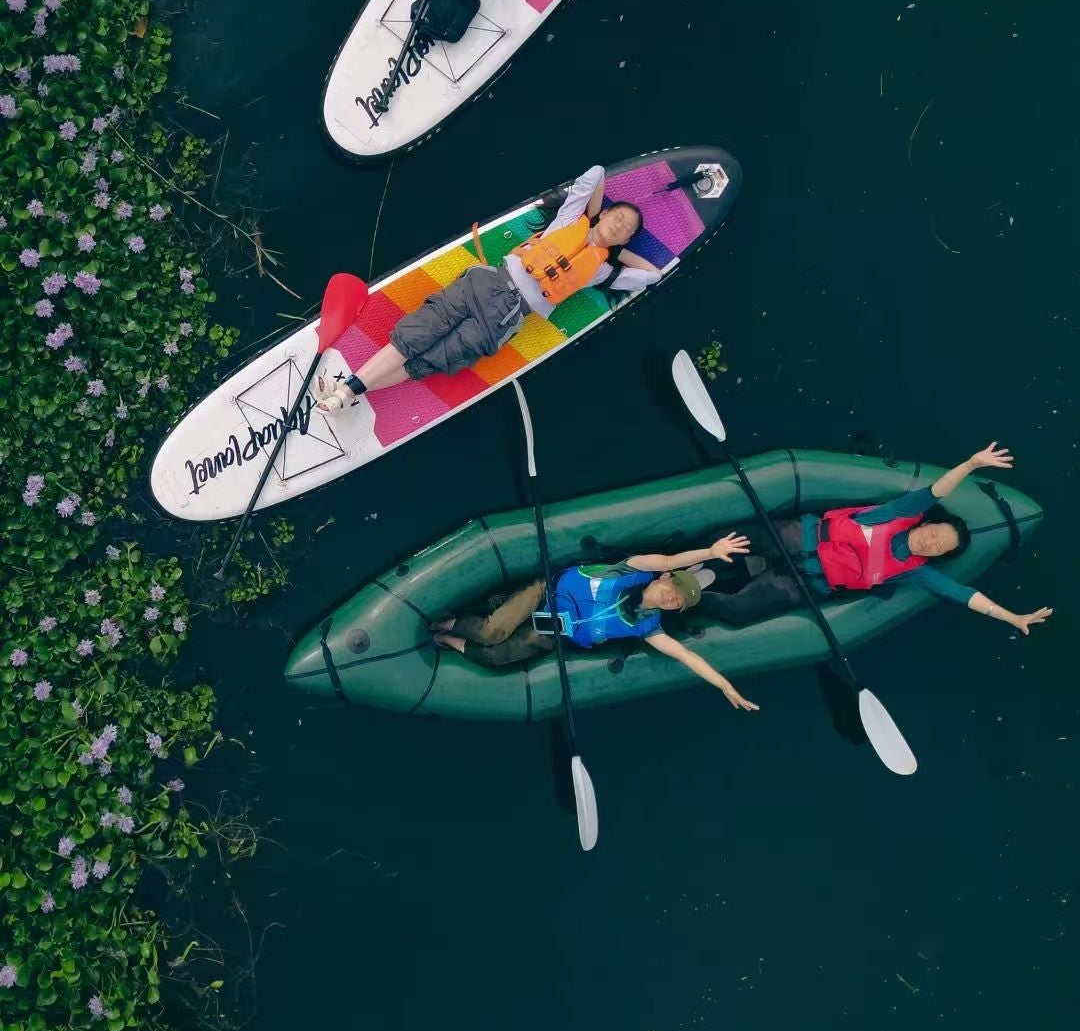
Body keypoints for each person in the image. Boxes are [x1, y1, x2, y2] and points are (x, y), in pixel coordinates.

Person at [316, 165, 661, 416]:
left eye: (626, 229)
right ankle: (346, 392)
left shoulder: (601, 270)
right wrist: (595, 213)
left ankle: (345, 393)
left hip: (507, 317)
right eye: (617, 217)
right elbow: (596, 173)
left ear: (626, 239)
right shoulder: (571, 218)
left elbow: (652, 275)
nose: (619, 225)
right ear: (604, 213)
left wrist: (616, 251)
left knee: (428, 361)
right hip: (487, 283)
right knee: (412, 337)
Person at [698, 444, 1053, 634]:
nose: (931, 542)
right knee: (727, 537)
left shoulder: (915, 572)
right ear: (923, 525)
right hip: (796, 537)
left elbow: (964, 595)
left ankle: (692, 594)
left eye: (939, 547)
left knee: (736, 611)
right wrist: (972, 464)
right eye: (933, 533)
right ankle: (692, 558)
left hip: (801, 581)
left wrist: (1011, 617)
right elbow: (937, 491)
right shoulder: (904, 512)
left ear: (937, 556)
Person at [433, 532, 760, 710]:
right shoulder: (635, 568)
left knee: (496, 656)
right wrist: (710, 552)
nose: (671, 598)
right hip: (544, 593)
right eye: (673, 588)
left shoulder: (647, 626)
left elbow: (687, 656)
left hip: (553, 632)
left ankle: (449, 641)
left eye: (678, 602)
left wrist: (724, 685)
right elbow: (674, 559)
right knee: (494, 631)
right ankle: (449, 625)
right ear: (664, 577)